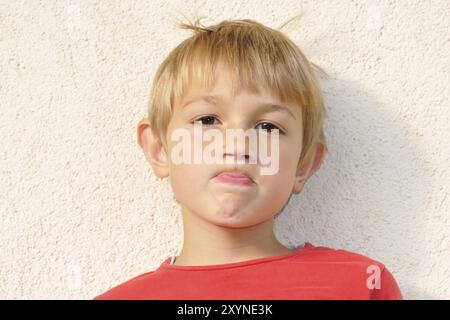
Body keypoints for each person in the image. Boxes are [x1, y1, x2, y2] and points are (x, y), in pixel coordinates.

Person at [94, 16, 403, 300]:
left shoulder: (360, 286)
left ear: (303, 164)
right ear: (159, 150)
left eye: (267, 126)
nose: (237, 145)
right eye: (207, 120)